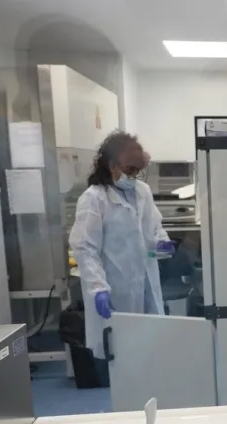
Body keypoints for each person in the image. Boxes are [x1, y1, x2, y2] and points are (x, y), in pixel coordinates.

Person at [69, 131, 175, 386]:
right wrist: (98, 289)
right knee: (122, 362)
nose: (134, 175)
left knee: (151, 355)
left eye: (138, 170)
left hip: (146, 283)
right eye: (129, 169)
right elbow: (85, 248)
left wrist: (162, 241)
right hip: (115, 290)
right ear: (111, 164)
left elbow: (154, 227)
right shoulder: (94, 199)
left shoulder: (142, 191)